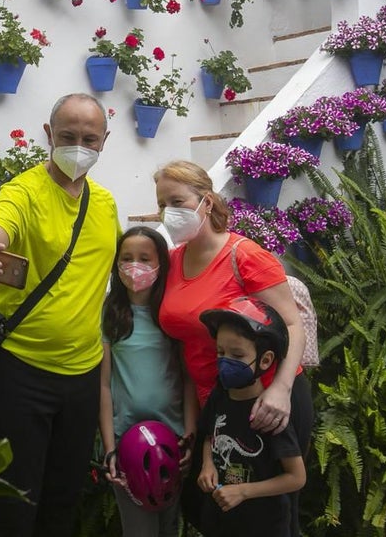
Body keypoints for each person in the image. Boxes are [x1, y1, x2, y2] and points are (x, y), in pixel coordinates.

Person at [0, 93, 120, 537]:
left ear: (104, 142)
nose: (78, 146)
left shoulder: (104, 204)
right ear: (49, 135)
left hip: (82, 375)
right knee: (12, 505)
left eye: (89, 138)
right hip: (17, 374)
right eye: (67, 136)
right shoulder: (22, 191)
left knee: (63, 500)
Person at [153, 160, 313, 533]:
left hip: (265, 401)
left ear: (206, 202)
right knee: (212, 509)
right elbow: (186, 348)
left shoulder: (244, 256)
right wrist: (195, 421)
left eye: (177, 201)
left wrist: (280, 391)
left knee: (269, 514)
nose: (168, 213)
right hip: (215, 405)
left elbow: (294, 324)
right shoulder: (174, 261)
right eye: (162, 204)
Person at [100, 226, 197, 537]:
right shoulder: (109, 314)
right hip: (127, 446)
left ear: (160, 264)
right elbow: (103, 385)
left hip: (174, 443)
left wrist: (190, 438)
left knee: (169, 527)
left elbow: (188, 379)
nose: (134, 265)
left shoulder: (170, 314)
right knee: (138, 529)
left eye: (145, 258)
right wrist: (109, 448)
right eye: (126, 258)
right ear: (116, 265)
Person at [196, 297, 306, 537]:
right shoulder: (219, 396)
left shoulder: (267, 416)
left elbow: (296, 477)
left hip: (263, 526)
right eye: (221, 352)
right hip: (221, 521)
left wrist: (244, 491)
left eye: (237, 355)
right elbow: (209, 434)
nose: (225, 362)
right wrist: (208, 464)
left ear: (265, 360)